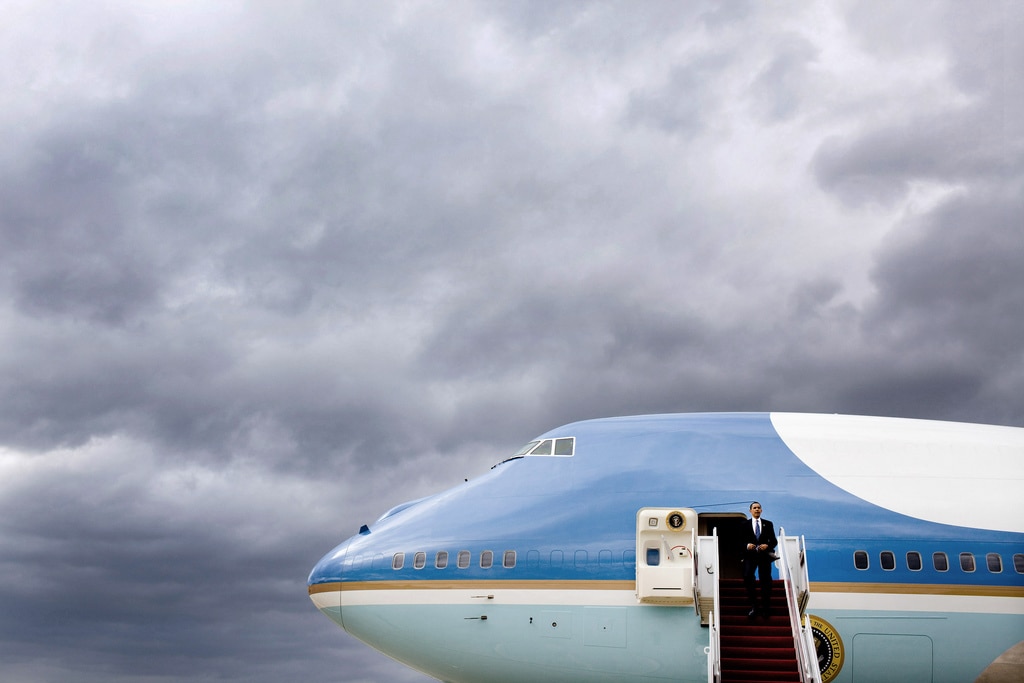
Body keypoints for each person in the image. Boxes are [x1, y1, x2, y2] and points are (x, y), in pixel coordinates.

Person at [741, 501, 777, 618]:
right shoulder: (744, 525)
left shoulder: (768, 524)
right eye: (754, 508)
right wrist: (747, 545)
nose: (757, 509)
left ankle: (766, 608)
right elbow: (738, 541)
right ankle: (754, 606)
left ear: (761, 510)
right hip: (750, 556)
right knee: (747, 577)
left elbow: (774, 541)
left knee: (766, 581)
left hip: (764, 556)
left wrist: (768, 546)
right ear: (750, 511)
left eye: (758, 508)